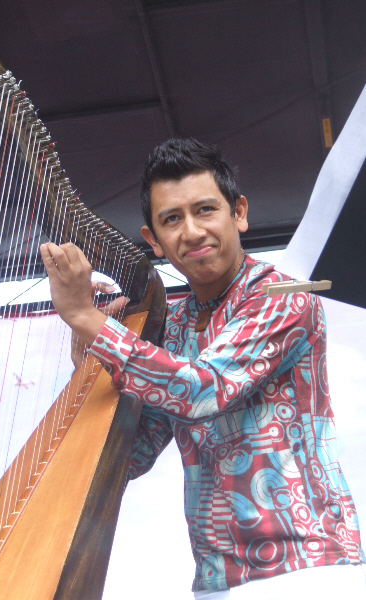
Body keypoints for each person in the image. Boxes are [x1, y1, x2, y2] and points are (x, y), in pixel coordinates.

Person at [40, 138, 365, 598]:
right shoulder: (172, 328)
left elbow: (199, 390)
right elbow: (132, 457)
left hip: (308, 568)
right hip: (216, 581)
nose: (191, 232)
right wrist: (93, 369)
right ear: (153, 239)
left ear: (239, 213)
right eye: (172, 219)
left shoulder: (285, 298)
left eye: (206, 210)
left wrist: (86, 318)